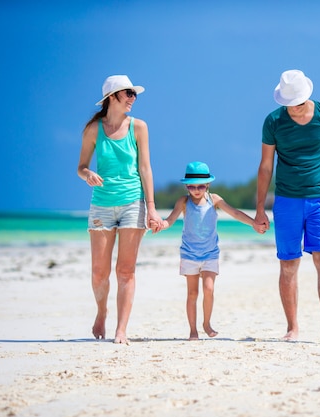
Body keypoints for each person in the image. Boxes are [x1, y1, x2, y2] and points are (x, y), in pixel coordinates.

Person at [254, 69, 320, 341]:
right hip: (286, 200)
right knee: (289, 264)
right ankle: (292, 328)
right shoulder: (273, 122)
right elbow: (265, 166)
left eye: (297, 103)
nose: (293, 109)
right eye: (288, 104)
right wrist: (260, 208)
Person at [77, 75, 162, 344]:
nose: (132, 99)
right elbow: (80, 166)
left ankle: (121, 330)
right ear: (111, 97)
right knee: (99, 272)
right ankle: (102, 311)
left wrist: (151, 209)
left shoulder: (139, 127)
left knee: (126, 271)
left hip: (132, 203)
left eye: (134, 94)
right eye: (128, 94)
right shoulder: (93, 129)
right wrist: (87, 173)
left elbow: (145, 168)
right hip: (101, 204)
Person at [156, 161, 265, 340]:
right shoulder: (183, 201)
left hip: (210, 253)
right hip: (189, 253)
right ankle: (193, 330)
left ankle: (206, 323)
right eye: (192, 187)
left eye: (200, 186)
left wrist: (253, 223)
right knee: (192, 293)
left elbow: (235, 213)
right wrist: (161, 225)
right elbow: (171, 219)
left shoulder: (214, 200)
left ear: (208, 184)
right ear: (186, 186)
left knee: (209, 289)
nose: (196, 190)